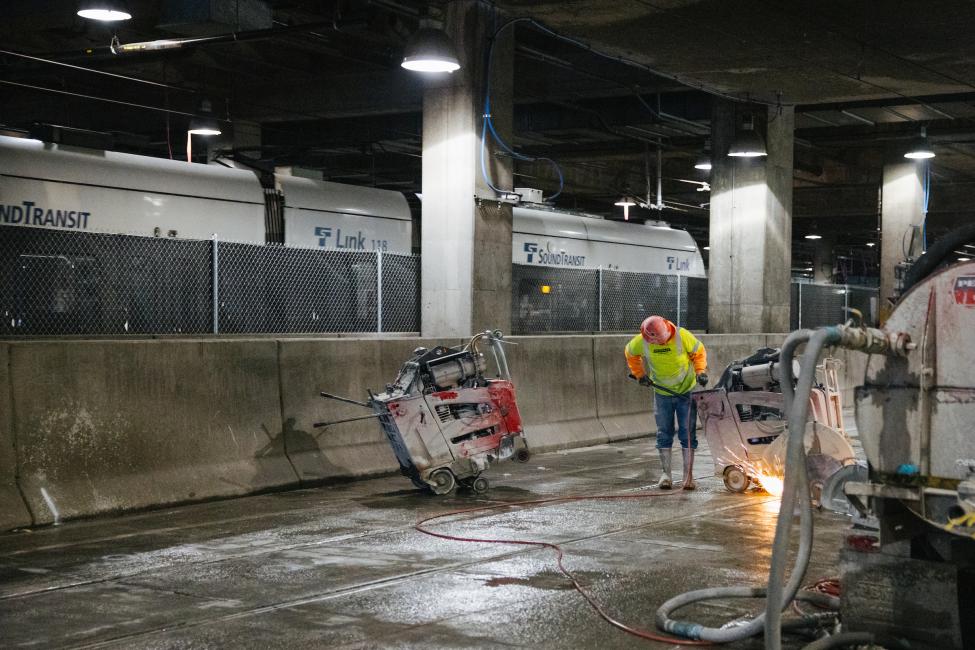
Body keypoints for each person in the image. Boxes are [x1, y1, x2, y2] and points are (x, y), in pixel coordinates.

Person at [624, 315, 708, 489]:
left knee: (688, 434)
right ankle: (666, 474)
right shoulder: (642, 341)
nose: (660, 345)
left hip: (686, 392)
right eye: (656, 343)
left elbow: (698, 352)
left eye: (662, 342)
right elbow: (630, 354)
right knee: (664, 432)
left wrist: (700, 372)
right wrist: (640, 375)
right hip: (662, 393)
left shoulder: (681, 335)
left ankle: (688, 477)